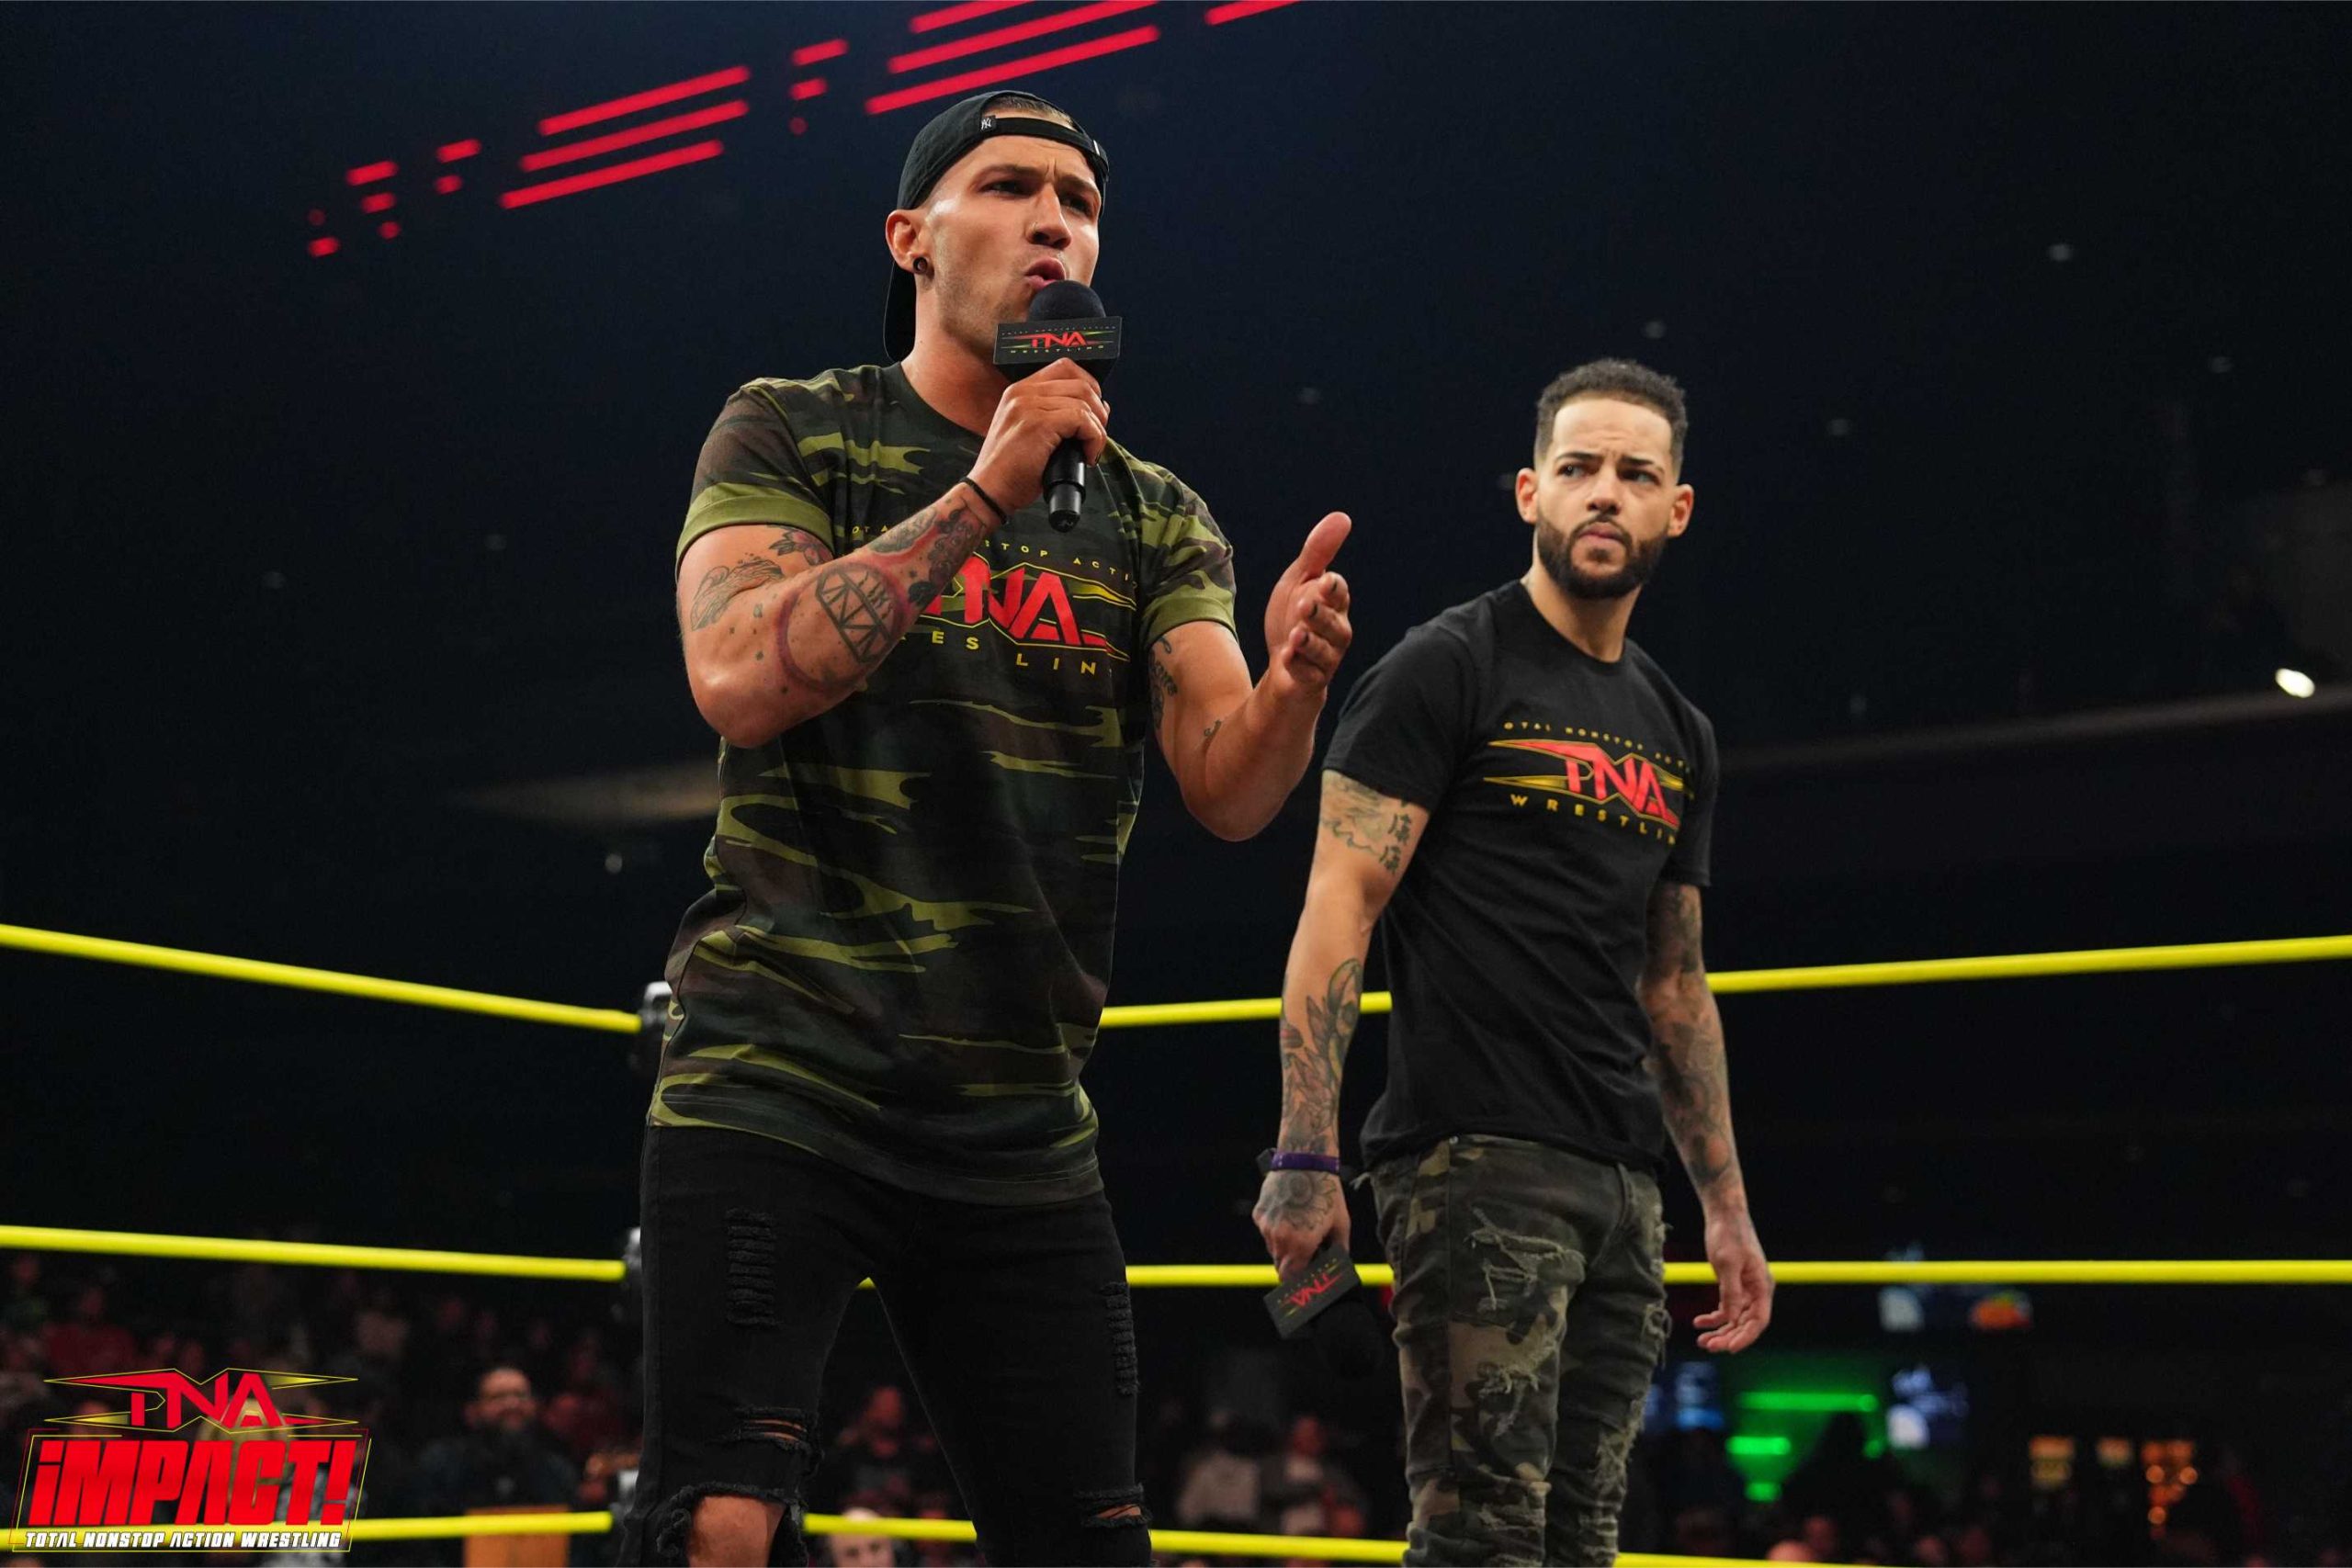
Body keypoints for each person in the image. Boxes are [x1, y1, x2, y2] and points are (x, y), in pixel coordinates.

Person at [622, 86, 1355, 1568]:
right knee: (720, 1523)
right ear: (911, 237)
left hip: (1018, 1115)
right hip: (784, 1067)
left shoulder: (1154, 515)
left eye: (1080, 204)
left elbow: (1230, 789)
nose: (1054, 224)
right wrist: (987, 487)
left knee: (1087, 1542)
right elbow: (737, 676)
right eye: (1013, 188)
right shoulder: (793, 426)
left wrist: (1292, 686)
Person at [1251, 359, 1772, 1564]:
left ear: (1677, 508)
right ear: (1531, 492)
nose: (1606, 493)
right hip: (1475, 1161)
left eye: (1635, 473)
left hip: (1624, 1185)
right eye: (1579, 468)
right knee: (1479, 1537)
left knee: (1584, 1540)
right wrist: (1303, 1155)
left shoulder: (1678, 729)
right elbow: (1338, 908)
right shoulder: (1446, 666)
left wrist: (1727, 1209)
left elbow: (1675, 985)